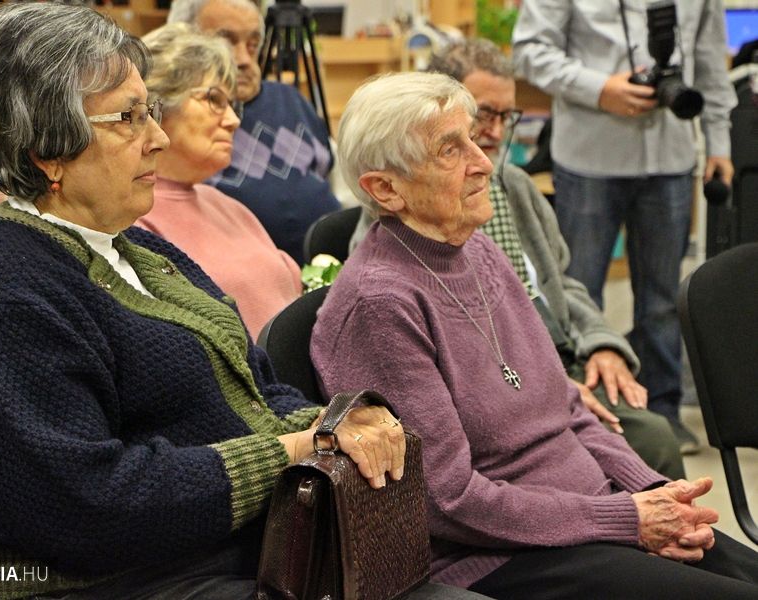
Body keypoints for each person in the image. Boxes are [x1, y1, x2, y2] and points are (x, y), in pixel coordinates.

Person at [0, 5, 486, 600]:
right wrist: (291, 451)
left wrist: (330, 424)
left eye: (151, 112)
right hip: (121, 583)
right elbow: (91, 509)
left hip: (240, 556)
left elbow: (258, 388)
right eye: (129, 118)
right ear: (46, 152)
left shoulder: (138, 252)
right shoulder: (5, 297)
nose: (157, 138)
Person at [310, 71, 758, 599]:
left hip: (590, 520)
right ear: (385, 189)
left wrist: (655, 494)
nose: (483, 162)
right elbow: (448, 501)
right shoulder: (379, 306)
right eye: (450, 150)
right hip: (496, 557)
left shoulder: (478, 251)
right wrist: (626, 518)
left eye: (473, 138)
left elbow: (567, 407)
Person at [352, 39, 684, 479]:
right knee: (646, 443)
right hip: (509, 378)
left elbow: (561, 283)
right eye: (481, 116)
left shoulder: (516, 187)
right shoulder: (400, 219)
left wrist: (602, 342)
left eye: (505, 117)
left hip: (558, 354)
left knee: (654, 439)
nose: (492, 134)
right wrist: (550, 389)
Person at [512, 0, 738, 454]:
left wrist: (719, 143)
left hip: (671, 157)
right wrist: (600, 88)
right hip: (589, 156)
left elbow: (710, 60)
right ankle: (581, 414)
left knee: (663, 300)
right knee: (577, 291)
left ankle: (664, 413)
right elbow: (529, 50)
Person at [136, 23, 301, 340]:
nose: (234, 120)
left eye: (232, 104)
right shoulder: (132, 216)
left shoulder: (229, 206)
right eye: (214, 99)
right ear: (157, 106)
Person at [167, 0, 341, 265]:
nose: (244, 60)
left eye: (252, 44)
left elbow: (328, 173)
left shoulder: (291, 99)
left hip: (327, 267)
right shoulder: (178, 120)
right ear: (181, 42)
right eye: (225, 43)